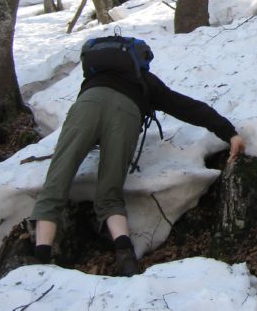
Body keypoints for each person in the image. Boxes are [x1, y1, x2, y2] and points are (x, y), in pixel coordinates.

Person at [30, 47, 245, 276]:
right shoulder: (144, 80)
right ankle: (126, 260)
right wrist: (229, 132)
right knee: (109, 195)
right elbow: (187, 107)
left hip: (86, 105)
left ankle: (39, 263)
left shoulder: (94, 75)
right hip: (126, 114)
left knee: (55, 186)